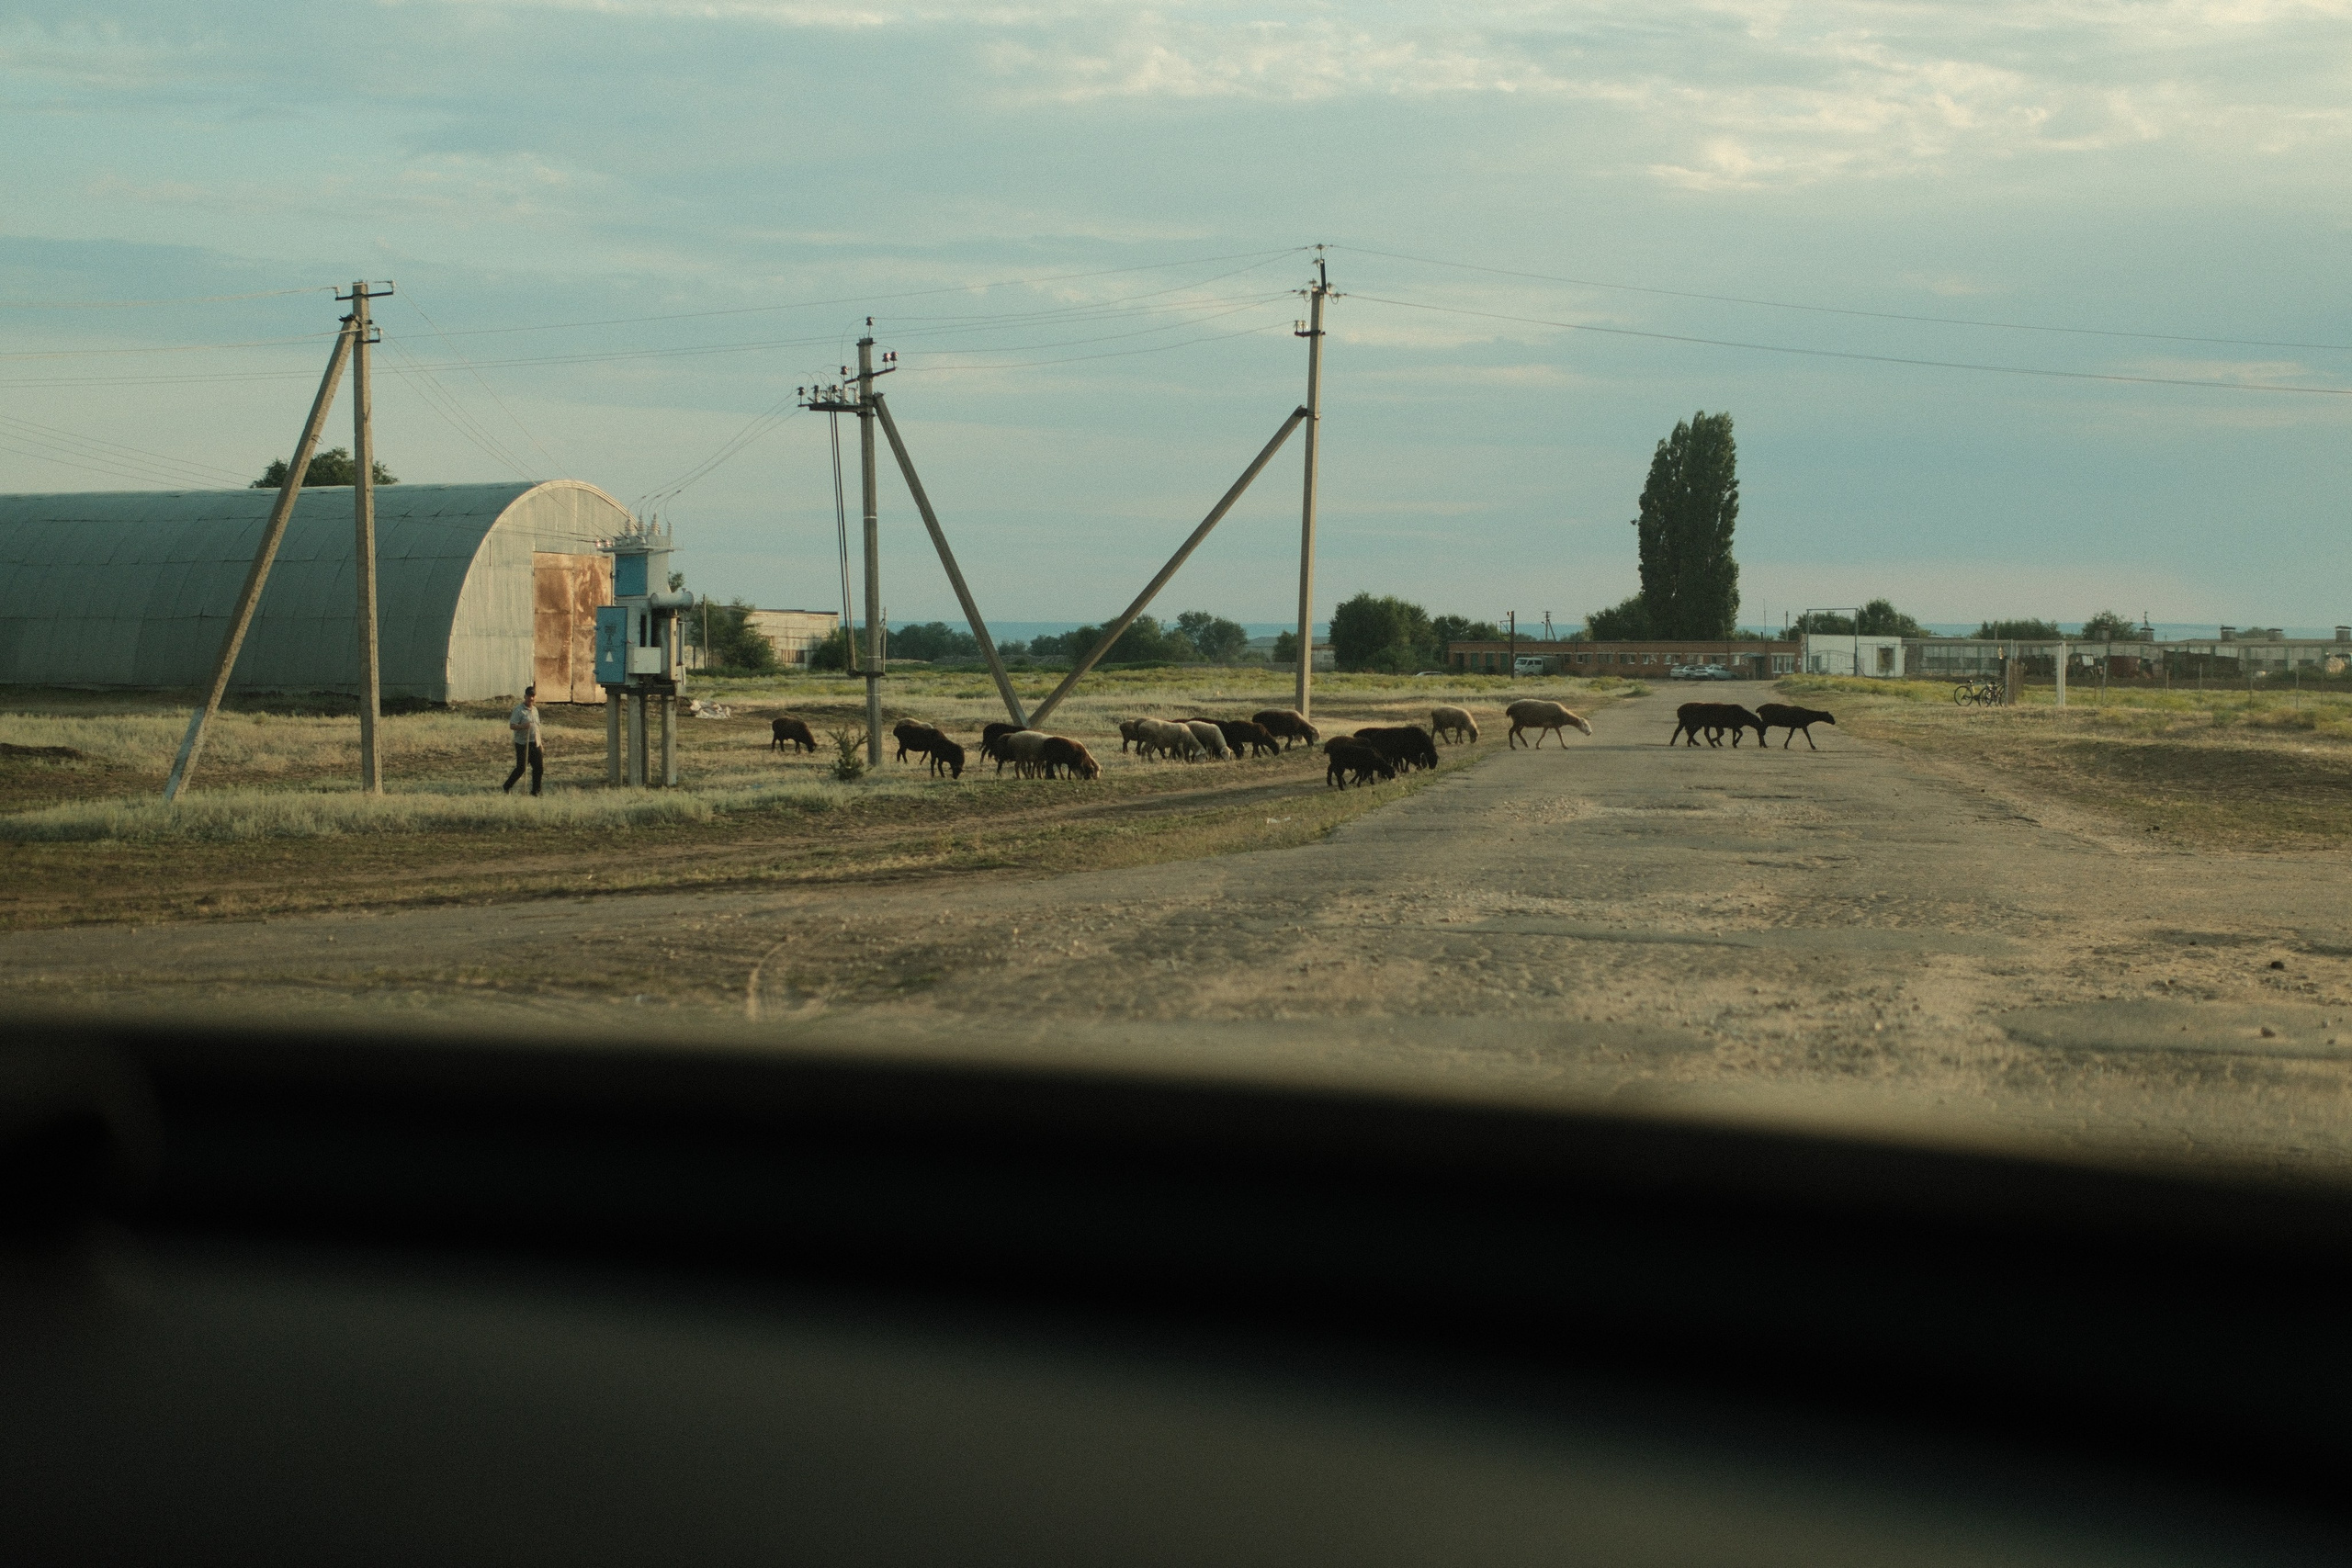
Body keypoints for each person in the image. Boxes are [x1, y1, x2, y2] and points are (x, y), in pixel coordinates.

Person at [503, 685, 544, 796]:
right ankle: (507, 786)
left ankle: (536, 791)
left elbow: (537, 727)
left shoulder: (535, 710)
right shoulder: (519, 710)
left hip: (535, 742)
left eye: (533, 696)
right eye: (529, 696)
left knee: (539, 768)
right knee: (521, 768)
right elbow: (512, 726)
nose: (531, 698)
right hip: (522, 743)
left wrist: (540, 744)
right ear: (525, 696)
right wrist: (523, 726)